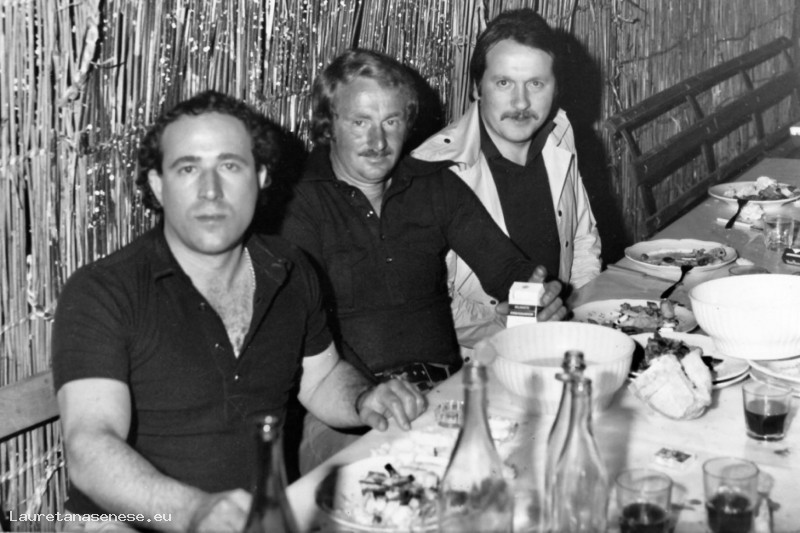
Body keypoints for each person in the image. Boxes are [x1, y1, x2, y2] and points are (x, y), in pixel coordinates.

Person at [52, 90, 426, 532]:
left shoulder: (289, 269)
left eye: (230, 166)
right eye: (188, 168)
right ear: (157, 185)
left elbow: (321, 378)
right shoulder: (104, 291)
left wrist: (364, 398)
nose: (210, 192)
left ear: (261, 177)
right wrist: (194, 511)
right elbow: (90, 447)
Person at [280, 49, 568, 473]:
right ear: (328, 124)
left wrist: (533, 300)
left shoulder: (434, 185)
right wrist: (366, 395)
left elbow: (507, 269)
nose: (378, 142)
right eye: (360, 122)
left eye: (391, 122)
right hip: (346, 412)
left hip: (443, 396)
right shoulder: (297, 206)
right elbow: (303, 338)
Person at [412, 9, 602, 355]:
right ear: (476, 88)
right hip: (478, 361)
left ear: (555, 88)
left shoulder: (559, 133)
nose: (521, 102)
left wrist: (580, 319)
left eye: (536, 83)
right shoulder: (434, 170)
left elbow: (582, 239)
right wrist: (510, 324)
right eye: (504, 83)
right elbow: (427, 302)